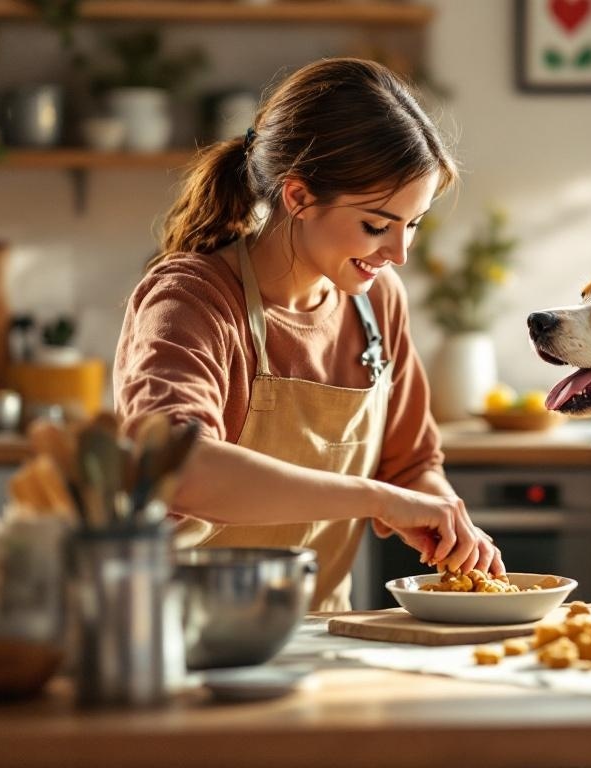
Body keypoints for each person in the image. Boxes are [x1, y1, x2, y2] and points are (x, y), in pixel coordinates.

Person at [114, 58, 504, 611]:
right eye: (377, 226)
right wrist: (378, 500)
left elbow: (411, 464)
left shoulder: (377, 300)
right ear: (297, 197)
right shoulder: (191, 299)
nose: (398, 254)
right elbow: (179, 469)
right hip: (178, 642)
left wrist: (442, 513)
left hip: (320, 639)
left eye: (412, 225)